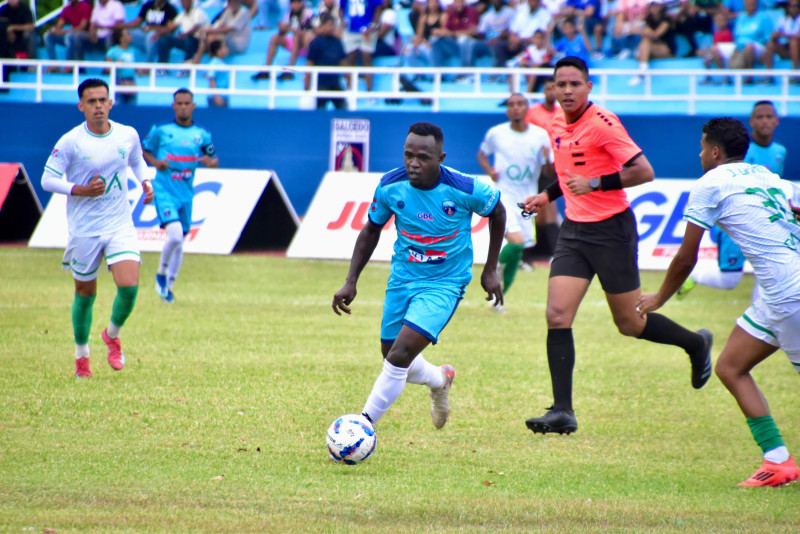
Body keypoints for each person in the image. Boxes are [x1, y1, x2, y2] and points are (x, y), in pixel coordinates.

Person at [522, 57, 713, 435]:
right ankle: (563, 411)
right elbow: (568, 173)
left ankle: (695, 343)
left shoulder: (604, 123)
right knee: (557, 315)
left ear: (589, 86)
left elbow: (644, 171)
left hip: (612, 231)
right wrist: (547, 196)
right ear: (553, 89)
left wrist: (596, 185)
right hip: (575, 232)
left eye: (575, 83)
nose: (567, 90)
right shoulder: (557, 122)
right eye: (561, 84)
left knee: (630, 322)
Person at [636, 117, 800, 487]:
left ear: (713, 151)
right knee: (730, 367)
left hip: (790, 294)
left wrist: (659, 297)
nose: (698, 155)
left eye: (700, 147)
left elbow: (686, 257)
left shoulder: (710, 183)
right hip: (776, 294)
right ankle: (778, 462)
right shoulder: (772, 178)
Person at [332, 121, 506, 432]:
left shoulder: (465, 188)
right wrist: (351, 280)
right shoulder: (390, 186)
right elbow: (371, 229)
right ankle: (440, 379)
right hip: (402, 280)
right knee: (392, 355)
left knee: (399, 356)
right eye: (408, 155)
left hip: (445, 283)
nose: (414, 163)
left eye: (423, 157)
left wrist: (490, 268)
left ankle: (362, 426)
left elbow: (498, 210)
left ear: (441, 158)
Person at [40, 78, 155, 378]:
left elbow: (137, 161)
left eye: (103, 100)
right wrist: (80, 189)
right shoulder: (71, 142)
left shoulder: (127, 135)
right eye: (91, 102)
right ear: (81, 106)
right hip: (85, 228)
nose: (98, 106)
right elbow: (47, 179)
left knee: (129, 286)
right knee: (85, 293)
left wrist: (146, 181)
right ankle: (82, 356)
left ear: (111, 102)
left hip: (119, 223)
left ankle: (112, 335)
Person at [678, 100, 786, 299]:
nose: (765, 121)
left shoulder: (780, 151)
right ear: (751, 121)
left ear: (777, 121)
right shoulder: (740, 151)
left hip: (764, 221)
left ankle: (762, 323)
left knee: (771, 274)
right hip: (736, 222)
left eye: (769, 116)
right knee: (730, 280)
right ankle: (695, 275)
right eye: (759, 117)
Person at [478, 92, 553, 312]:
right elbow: (482, 154)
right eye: (511, 105)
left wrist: (547, 158)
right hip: (503, 197)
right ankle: (492, 269)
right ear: (507, 110)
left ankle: (497, 300)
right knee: (517, 242)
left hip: (527, 200)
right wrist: (489, 170)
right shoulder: (496, 133)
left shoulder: (540, 136)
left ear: (527, 108)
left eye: (520, 104)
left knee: (519, 250)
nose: (516, 108)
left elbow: (548, 172)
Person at [143, 88, 219, 303]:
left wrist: (210, 162)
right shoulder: (161, 130)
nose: (183, 107)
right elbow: (145, 149)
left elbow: (214, 158)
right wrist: (156, 162)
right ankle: (161, 272)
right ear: (173, 106)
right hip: (164, 190)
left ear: (193, 106)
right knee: (175, 235)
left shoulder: (202, 135)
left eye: (187, 103)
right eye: (180, 103)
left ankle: (169, 287)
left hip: (186, 193)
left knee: (180, 241)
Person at [524, 75, 561, 262]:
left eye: (553, 88)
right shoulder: (533, 112)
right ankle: (529, 254)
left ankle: (556, 254)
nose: (551, 93)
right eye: (548, 89)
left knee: (550, 208)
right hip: (533, 167)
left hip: (552, 166)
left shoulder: (562, 113)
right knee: (534, 211)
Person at [251, 0, 315, 81]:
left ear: (302, 3)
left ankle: (290, 70)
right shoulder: (289, 15)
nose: (296, 5)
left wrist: (290, 29)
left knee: (297, 37)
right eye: (294, 3)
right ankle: (266, 70)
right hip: (295, 44)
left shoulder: (308, 13)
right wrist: (282, 29)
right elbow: (283, 33)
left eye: (298, 3)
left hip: (307, 45)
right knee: (275, 38)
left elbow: (307, 31)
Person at [305, 12, 347, 110]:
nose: (331, 27)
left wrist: (349, 79)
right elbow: (310, 63)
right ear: (322, 26)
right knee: (320, 110)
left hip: (335, 82)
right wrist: (307, 83)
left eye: (332, 25)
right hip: (321, 84)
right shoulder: (315, 43)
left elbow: (343, 62)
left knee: (343, 109)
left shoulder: (337, 42)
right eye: (328, 25)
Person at [628, 1, 675, 86]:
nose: (654, 8)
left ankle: (641, 73)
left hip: (666, 48)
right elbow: (647, 35)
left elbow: (656, 35)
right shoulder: (648, 19)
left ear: (661, 7)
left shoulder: (666, 20)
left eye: (656, 6)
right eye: (652, 6)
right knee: (644, 45)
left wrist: (640, 30)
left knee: (644, 47)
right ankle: (643, 67)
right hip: (651, 47)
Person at [124, 0, 178, 65]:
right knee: (125, 33)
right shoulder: (148, 5)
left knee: (152, 35)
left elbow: (169, 29)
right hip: (144, 36)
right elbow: (137, 22)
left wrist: (153, 28)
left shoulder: (170, 9)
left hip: (158, 39)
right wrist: (121, 26)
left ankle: (148, 64)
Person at [44, 0, 93, 72]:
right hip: (72, 35)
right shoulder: (67, 9)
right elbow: (59, 25)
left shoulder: (85, 6)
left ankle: (69, 65)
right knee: (48, 36)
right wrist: (54, 30)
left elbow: (82, 27)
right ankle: (54, 65)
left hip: (85, 36)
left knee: (69, 36)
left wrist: (63, 32)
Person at [156, 0, 211, 65]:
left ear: (191, 2)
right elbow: (171, 27)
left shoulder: (198, 12)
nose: (184, 3)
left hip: (200, 42)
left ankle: (186, 67)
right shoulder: (182, 15)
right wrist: (159, 33)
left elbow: (196, 27)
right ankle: (162, 67)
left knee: (190, 39)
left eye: (186, 1)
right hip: (187, 40)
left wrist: (185, 34)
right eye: (182, 2)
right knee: (165, 39)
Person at [72, 0, 126, 65]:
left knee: (109, 36)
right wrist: (92, 33)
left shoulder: (116, 5)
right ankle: (79, 66)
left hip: (111, 38)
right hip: (97, 38)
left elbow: (119, 26)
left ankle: (108, 67)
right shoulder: (97, 7)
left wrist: (102, 27)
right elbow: (92, 25)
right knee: (78, 36)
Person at [762, 0, 800, 84]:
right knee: (770, 44)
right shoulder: (784, 19)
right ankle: (768, 75)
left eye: (796, 6)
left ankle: (795, 74)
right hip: (787, 49)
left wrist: (784, 35)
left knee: (794, 42)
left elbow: (797, 37)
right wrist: (775, 35)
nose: (794, 9)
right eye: (792, 6)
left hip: (798, 48)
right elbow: (777, 32)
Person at [0, 0, 34, 86]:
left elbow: (31, 26)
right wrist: (9, 32)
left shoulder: (25, 9)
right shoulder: (4, 9)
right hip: (7, 37)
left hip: (22, 36)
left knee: (30, 37)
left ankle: (30, 64)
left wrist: (13, 28)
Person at [105, 27, 137, 105]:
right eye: (128, 34)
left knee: (132, 108)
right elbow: (106, 69)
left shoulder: (133, 51)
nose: (131, 36)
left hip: (132, 82)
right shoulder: (113, 51)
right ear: (122, 38)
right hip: (119, 81)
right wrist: (116, 65)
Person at [205, 39, 230, 107]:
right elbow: (211, 79)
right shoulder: (214, 63)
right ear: (218, 50)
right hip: (216, 98)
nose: (227, 49)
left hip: (224, 96)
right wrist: (216, 96)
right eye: (224, 47)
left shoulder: (221, 63)